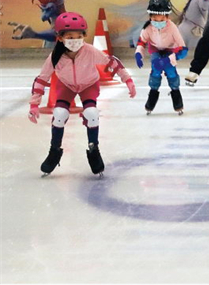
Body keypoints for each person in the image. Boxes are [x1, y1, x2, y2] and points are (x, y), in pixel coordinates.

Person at [27, 12, 136, 176]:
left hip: (89, 84)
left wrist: (127, 80)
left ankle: (94, 149)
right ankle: (54, 150)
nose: (75, 41)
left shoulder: (90, 51)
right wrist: (34, 104)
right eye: (70, 37)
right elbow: (42, 79)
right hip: (66, 85)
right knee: (59, 114)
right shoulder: (55, 56)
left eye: (79, 36)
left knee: (91, 113)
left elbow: (112, 62)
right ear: (60, 37)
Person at [135, 0, 188, 115]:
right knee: (155, 71)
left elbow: (183, 49)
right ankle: (152, 97)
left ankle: (177, 98)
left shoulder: (172, 28)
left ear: (167, 17)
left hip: (170, 51)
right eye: (155, 19)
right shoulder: (148, 28)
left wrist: (170, 59)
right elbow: (141, 42)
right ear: (150, 17)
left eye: (162, 20)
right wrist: (138, 53)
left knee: (171, 73)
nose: (158, 23)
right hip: (156, 51)